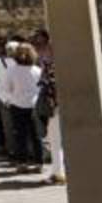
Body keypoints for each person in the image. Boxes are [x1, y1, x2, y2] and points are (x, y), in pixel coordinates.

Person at [2, 43, 42, 170]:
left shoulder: (11, 70)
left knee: (20, 135)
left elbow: (6, 88)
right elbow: (41, 88)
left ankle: (22, 162)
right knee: (36, 135)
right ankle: (39, 162)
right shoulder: (37, 70)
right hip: (34, 105)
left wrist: (11, 97)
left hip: (17, 104)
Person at [36, 52, 64, 184]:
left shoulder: (49, 67)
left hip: (55, 109)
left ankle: (58, 173)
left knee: (56, 142)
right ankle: (58, 171)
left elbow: (44, 86)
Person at [0, 40, 20, 158]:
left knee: (8, 127)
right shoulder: (22, 63)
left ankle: (12, 150)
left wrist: (5, 99)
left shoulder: (0, 64)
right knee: (21, 126)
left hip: (5, 100)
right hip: (21, 99)